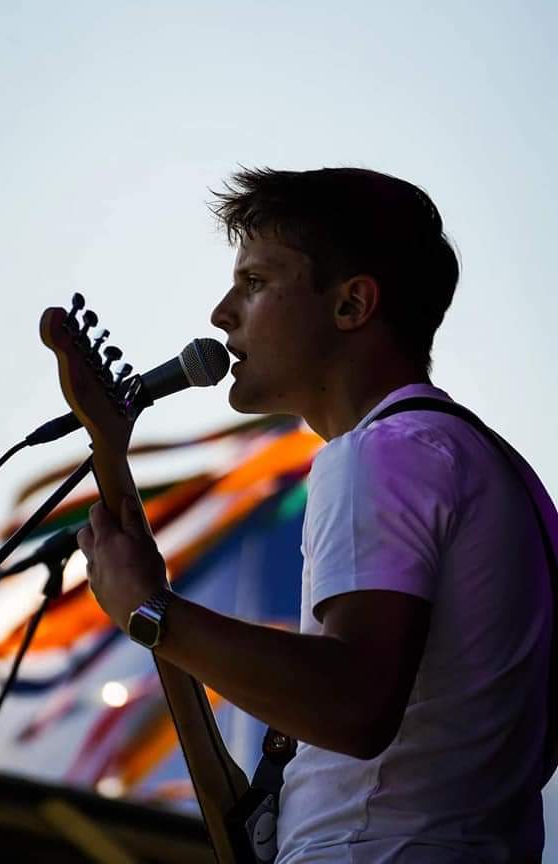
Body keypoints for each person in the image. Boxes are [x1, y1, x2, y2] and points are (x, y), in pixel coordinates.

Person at [77, 167, 555, 863]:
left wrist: (151, 613)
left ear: (352, 304)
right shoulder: (501, 475)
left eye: (255, 282)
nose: (221, 314)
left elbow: (354, 706)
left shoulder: (381, 452)